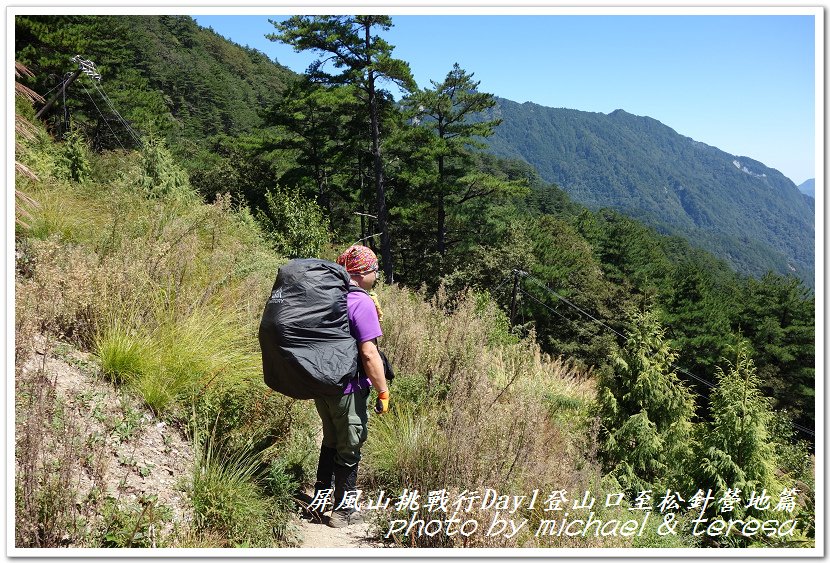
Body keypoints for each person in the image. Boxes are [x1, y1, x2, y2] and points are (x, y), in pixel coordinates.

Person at [311, 244, 390, 528]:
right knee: (350, 446)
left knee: (331, 441)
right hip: (348, 387)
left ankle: (319, 503)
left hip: (323, 385)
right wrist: (383, 391)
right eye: (374, 269)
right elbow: (369, 353)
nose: (376, 275)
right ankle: (344, 511)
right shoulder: (361, 301)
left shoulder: (327, 297)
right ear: (360, 272)